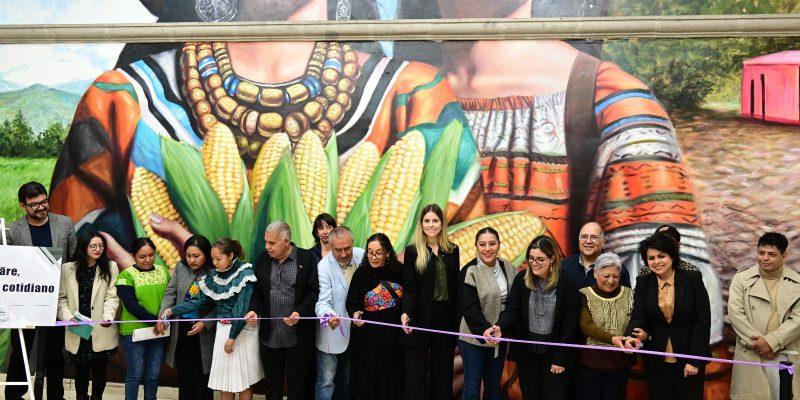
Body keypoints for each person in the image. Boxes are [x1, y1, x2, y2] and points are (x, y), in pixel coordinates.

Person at [163, 238, 263, 400]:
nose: (214, 263)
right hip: (222, 330)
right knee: (225, 380)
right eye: (213, 259)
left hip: (241, 331)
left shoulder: (244, 273)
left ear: (230, 256)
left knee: (244, 378)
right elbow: (200, 301)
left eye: (218, 259)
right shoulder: (214, 276)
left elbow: (241, 308)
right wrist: (172, 309)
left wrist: (232, 337)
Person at [5, 181, 76, 400]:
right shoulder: (14, 230)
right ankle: (14, 395)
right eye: (34, 204)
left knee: (55, 354)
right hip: (25, 303)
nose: (41, 207)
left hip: (55, 301)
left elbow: (72, 259)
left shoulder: (64, 224)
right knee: (21, 352)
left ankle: (55, 395)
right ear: (22, 206)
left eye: (44, 201)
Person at [620, 233, 710, 400]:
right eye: (651, 258)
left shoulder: (692, 279)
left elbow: (702, 322)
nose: (657, 262)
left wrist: (695, 359)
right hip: (656, 358)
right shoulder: (643, 282)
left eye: (662, 256)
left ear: (672, 256)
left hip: (688, 356)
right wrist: (632, 335)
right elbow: (638, 315)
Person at [496, 235, 580, 400]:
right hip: (528, 354)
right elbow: (512, 311)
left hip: (554, 354)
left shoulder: (567, 283)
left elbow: (570, 324)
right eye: (531, 259)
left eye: (540, 259)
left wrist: (560, 358)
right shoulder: (522, 280)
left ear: (552, 259)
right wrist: (500, 327)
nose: (534, 263)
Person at [245, 221, 319, 400]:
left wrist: (299, 312)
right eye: (266, 242)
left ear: (286, 241)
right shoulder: (262, 259)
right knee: (272, 384)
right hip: (270, 334)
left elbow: (313, 292)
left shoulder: (306, 259)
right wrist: (254, 310)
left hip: (298, 335)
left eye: (272, 243)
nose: (267, 247)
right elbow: (257, 292)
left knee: (297, 385)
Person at [728, 232, 800, 400]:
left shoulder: (797, 282)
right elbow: (735, 314)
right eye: (761, 253)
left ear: (785, 255)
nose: (765, 258)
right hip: (751, 353)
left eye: (772, 254)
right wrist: (760, 344)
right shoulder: (742, 279)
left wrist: (772, 342)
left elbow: (797, 319)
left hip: (785, 353)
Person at [399, 203, 460, 400]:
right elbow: (410, 287)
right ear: (421, 224)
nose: (431, 225)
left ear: (442, 224)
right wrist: (406, 312)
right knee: (415, 374)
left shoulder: (452, 250)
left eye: (435, 220)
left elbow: (455, 286)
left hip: (445, 317)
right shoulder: (413, 251)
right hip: (420, 316)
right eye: (427, 221)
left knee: (443, 373)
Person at [57, 230, 119, 400]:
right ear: (84, 247)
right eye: (93, 246)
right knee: (81, 370)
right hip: (78, 327)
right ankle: (81, 396)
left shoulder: (111, 266)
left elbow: (112, 297)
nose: (98, 249)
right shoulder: (67, 269)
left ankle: (97, 397)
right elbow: (61, 299)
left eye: (101, 246)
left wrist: (108, 316)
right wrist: (69, 317)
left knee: (100, 368)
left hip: (101, 327)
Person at [458, 227, 516, 400]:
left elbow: (513, 304)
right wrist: (484, 329)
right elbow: (469, 307)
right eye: (482, 244)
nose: (487, 248)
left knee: (493, 385)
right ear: (476, 246)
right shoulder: (469, 271)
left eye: (492, 243)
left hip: (499, 336)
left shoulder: (509, 267)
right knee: (473, 386)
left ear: (499, 245)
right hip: (473, 338)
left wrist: (501, 327)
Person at [156, 235, 216, 400]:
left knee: (203, 374)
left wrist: (205, 322)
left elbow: (221, 306)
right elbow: (170, 293)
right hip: (181, 329)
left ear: (206, 254)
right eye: (188, 255)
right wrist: (163, 315)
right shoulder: (181, 268)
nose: (192, 260)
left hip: (203, 330)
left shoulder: (214, 273)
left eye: (196, 256)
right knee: (185, 374)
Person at [346, 232, 405, 400]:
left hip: (393, 337)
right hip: (367, 338)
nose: (374, 257)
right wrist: (355, 313)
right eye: (370, 252)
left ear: (387, 252)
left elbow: (409, 298)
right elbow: (351, 303)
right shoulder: (361, 274)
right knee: (367, 379)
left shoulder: (399, 272)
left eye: (378, 252)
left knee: (391, 376)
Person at [115, 237, 171, 400]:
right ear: (133, 256)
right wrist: (156, 321)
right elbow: (131, 305)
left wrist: (163, 320)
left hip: (159, 332)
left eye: (151, 255)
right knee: (135, 374)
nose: (148, 260)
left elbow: (170, 297)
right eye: (142, 256)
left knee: (153, 374)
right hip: (134, 333)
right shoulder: (126, 275)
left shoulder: (163, 271)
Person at [314, 226, 364, 400]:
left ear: (353, 244)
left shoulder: (362, 255)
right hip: (332, 333)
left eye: (347, 248)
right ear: (330, 246)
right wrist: (328, 316)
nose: (343, 254)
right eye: (338, 250)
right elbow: (322, 301)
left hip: (357, 333)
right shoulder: (323, 267)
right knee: (326, 381)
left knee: (348, 380)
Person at [576, 252, 635, 400]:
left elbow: (637, 321)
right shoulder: (584, 294)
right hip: (590, 364)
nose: (611, 280)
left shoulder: (631, 294)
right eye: (606, 276)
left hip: (620, 365)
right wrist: (613, 339)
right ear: (595, 273)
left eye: (615, 276)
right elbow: (586, 325)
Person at [561, 222, 630, 289]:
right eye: (584, 237)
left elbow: (625, 298)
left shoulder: (616, 268)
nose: (588, 241)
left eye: (594, 237)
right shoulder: (565, 265)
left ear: (603, 242)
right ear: (579, 240)